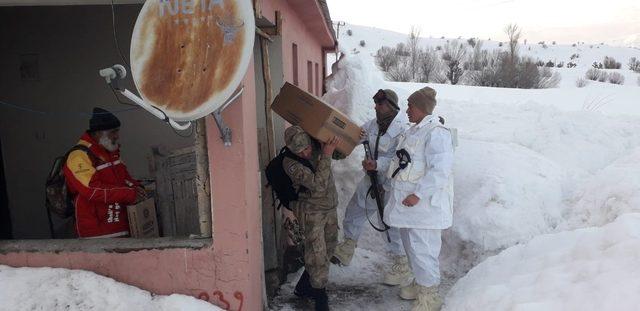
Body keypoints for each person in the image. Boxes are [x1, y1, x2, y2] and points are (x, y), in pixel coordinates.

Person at [331, 89, 413, 286]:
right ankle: (347, 249)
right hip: (371, 179)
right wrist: (339, 145)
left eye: (381, 104)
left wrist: (377, 164)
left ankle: (401, 263)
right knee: (355, 210)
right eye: (375, 103)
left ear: (392, 107)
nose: (376, 107)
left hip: (392, 183)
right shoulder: (373, 125)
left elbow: (399, 158)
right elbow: (356, 136)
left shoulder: (403, 129)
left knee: (390, 222)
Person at [383, 87, 455, 311]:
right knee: (411, 247)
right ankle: (420, 282)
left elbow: (440, 170)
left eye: (410, 106)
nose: (406, 110)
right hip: (407, 206)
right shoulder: (413, 131)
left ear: (422, 108)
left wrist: (418, 194)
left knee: (423, 249)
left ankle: (430, 294)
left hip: (424, 207)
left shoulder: (437, 133)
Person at [64, 107, 146, 238]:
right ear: (97, 133)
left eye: (117, 131)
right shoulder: (79, 156)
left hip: (121, 226)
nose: (117, 136)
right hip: (97, 233)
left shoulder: (111, 152)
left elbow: (125, 178)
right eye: (113, 132)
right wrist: (129, 194)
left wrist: (137, 187)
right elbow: (92, 190)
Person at [284, 126, 340, 311]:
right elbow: (318, 185)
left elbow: (341, 153)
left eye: (307, 148)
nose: (306, 153)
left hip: (330, 207)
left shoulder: (316, 146)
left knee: (329, 248)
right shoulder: (290, 163)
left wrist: (349, 139)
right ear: (293, 151)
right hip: (312, 211)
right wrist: (326, 154)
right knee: (317, 253)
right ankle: (320, 295)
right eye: (300, 152)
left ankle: (303, 286)